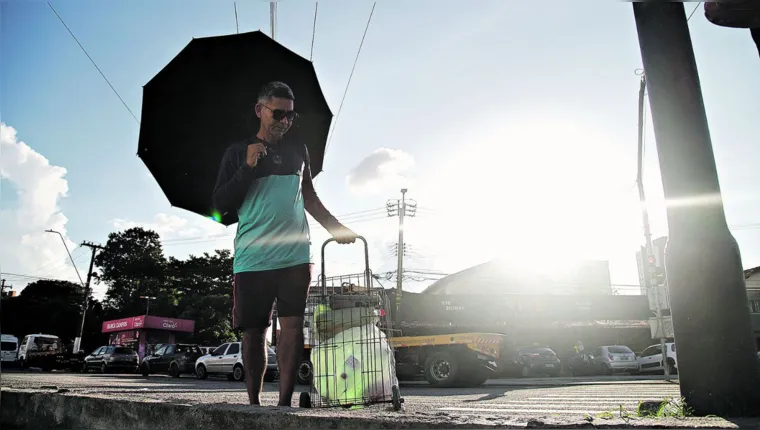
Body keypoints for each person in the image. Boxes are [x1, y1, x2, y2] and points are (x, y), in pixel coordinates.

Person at [212, 81, 357, 407]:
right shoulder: (237, 153)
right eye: (278, 114)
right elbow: (221, 203)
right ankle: (253, 405)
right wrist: (247, 167)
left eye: (291, 116)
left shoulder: (299, 151)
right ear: (260, 110)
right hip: (252, 257)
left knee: (292, 328)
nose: (284, 121)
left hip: (295, 255)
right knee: (254, 331)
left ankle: (283, 407)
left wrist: (335, 228)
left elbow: (309, 197)